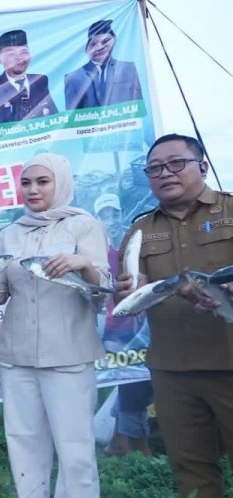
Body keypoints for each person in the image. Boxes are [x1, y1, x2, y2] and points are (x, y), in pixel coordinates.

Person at [0, 152, 107, 498]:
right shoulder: (12, 234)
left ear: (60, 183)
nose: (32, 190)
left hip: (69, 353)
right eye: (26, 183)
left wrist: (83, 264)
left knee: (75, 448)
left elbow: (103, 289)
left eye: (42, 182)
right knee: (24, 445)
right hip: (17, 355)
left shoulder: (84, 225)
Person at [113, 134, 233, 498]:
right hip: (172, 367)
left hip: (229, 360)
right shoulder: (141, 229)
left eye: (175, 164)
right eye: (155, 169)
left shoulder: (231, 211)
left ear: (202, 165)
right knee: (190, 461)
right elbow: (130, 290)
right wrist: (128, 287)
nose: (165, 174)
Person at [94, 191, 154, 456]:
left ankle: (121, 438)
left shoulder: (132, 245)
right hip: (110, 331)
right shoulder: (97, 252)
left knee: (139, 377)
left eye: (115, 213)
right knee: (134, 377)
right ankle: (134, 440)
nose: (111, 220)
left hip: (139, 326)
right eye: (104, 215)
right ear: (97, 220)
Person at [0, 30, 59, 127]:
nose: (19, 58)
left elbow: (55, 119)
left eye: (24, 52)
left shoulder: (40, 81)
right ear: (0, 59)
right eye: (11, 54)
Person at [64, 20, 144, 111]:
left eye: (105, 41)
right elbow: (72, 118)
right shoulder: (72, 78)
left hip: (123, 124)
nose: (99, 48)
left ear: (114, 39)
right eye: (93, 44)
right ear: (86, 49)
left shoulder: (128, 69)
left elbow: (139, 107)